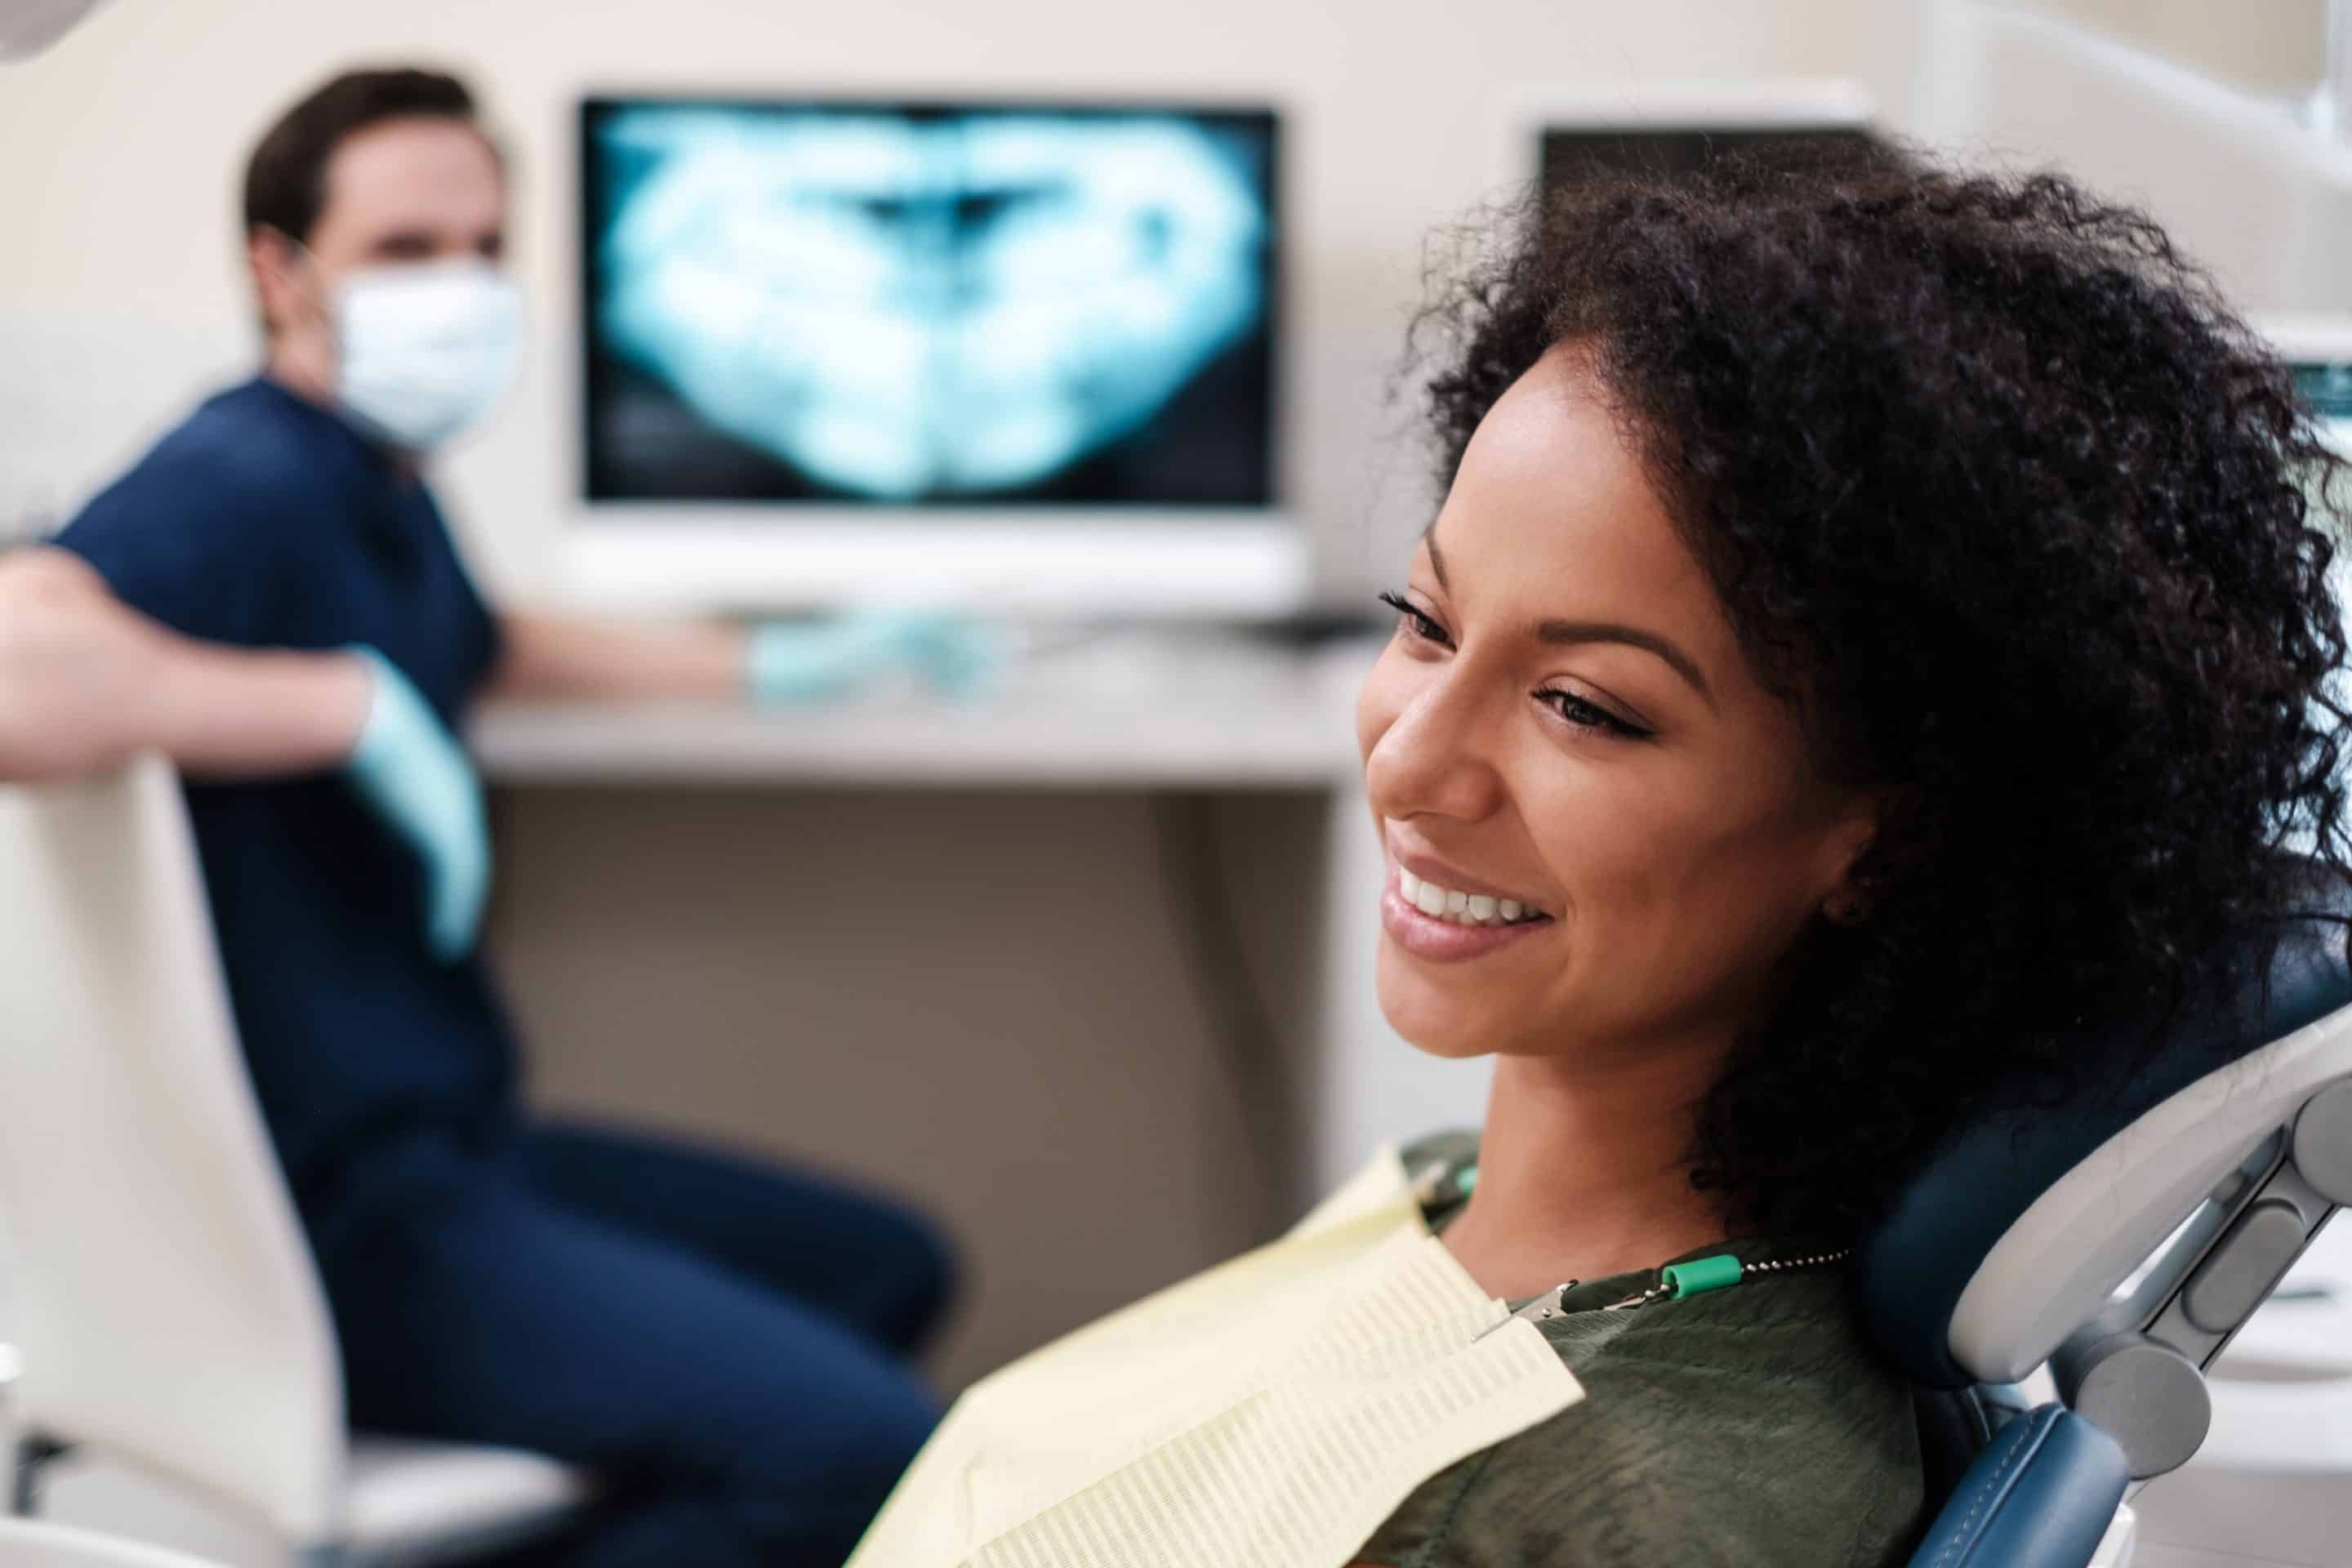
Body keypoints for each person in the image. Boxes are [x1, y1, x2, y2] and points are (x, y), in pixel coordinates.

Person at [865, 154, 2351, 1566]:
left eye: (1583, 706)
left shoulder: (1613, 1509)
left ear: (1892, 837)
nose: (1407, 760)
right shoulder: (1465, 1196)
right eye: (1426, 618)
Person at [0, 68, 962, 1567]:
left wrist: (771, 656)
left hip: (451, 1149)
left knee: (885, 1270)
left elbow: (483, 637)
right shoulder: (245, 474)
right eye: (403, 252)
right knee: (862, 1452)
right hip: (327, 1215)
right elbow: (12, 665)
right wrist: (345, 710)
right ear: (279, 270)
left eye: (482, 248)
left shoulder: (372, 483)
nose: (457, 288)